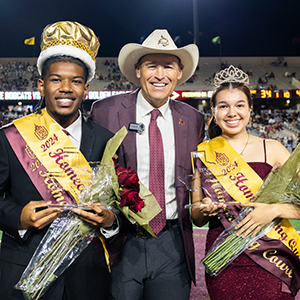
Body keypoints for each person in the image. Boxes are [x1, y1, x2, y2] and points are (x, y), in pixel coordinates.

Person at [0, 21, 119, 300]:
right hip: (25, 270)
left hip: (88, 278)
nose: (66, 88)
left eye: (75, 81)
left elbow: (121, 206)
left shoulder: (106, 140)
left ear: (86, 89)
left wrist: (110, 219)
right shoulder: (10, 137)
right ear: (42, 85)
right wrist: (17, 216)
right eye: (56, 80)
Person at [90, 29, 205, 300]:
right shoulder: (104, 111)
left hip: (172, 241)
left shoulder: (193, 119)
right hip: (121, 239)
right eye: (151, 66)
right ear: (138, 70)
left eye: (168, 67)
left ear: (179, 73)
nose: (160, 74)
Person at [191, 65, 300, 299]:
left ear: (250, 109)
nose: (232, 113)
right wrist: (206, 209)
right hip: (223, 258)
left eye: (240, 105)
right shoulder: (202, 153)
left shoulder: (273, 149)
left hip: (272, 257)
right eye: (223, 106)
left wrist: (273, 210)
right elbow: (196, 218)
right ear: (213, 111)